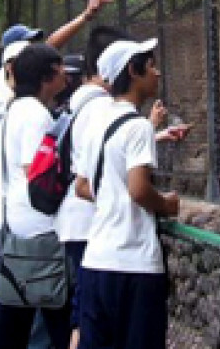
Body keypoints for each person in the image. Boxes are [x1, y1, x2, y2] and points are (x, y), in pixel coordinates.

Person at [74, 37, 180, 349]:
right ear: (133, 71)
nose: (157, 73)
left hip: (95, 262)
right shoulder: (138, 127)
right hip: (134, 265)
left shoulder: (95, 124)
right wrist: (166, 204)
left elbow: (81, 186)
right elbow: (138, 189)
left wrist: (112, 197)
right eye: (151, 66)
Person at [0, 43, 72, 349]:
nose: (66, 75)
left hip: (18, 227)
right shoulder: (36, 115)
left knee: (13, 318)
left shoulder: (16, 109)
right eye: (60, 69)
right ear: (47, 76)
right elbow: (38, 173)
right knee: (57, 322)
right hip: (40, 231)